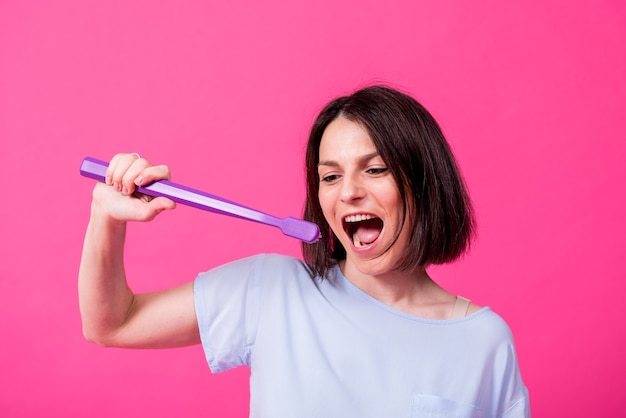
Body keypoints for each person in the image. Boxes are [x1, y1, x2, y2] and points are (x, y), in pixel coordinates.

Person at [79, 85, 530, 417]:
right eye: (330, 177)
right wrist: (107, 217)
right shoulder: (271, 291)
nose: (348, 192)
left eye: (374, 169)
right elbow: (113, 324)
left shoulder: (484, 342)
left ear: (425, 183)